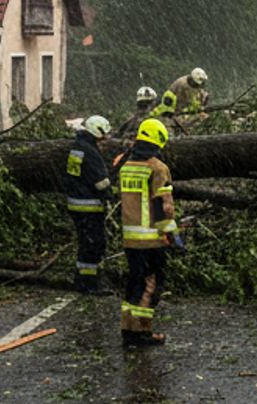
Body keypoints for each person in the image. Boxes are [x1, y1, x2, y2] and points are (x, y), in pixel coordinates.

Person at [118, 117, 184, 347]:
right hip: (151, 239)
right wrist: (172, 234)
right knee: (151, 284)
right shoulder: (157, 168)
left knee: (134, 283)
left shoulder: (126, 166)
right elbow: (163, 206)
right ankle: (142, 333)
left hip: (130, 238)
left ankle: (128, 331)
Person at [62, 115, 114, 295]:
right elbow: (101, 182)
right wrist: (111, 193)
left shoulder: (77, 148)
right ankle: (90, 284)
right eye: (103, 137)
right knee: (94, 244)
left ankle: (81, 279)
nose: (104, 141)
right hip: (88, 206)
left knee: (86, 243)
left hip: (76, 203)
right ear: (96, 133)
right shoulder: (90, 152)